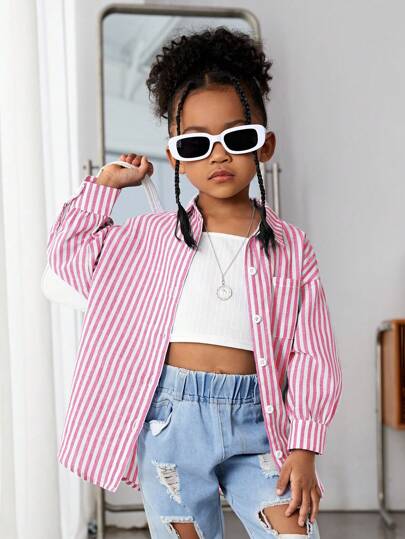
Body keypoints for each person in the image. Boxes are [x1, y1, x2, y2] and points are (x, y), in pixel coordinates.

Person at [47, 27, 342, 539]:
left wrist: (305, 444)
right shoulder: (149, 238)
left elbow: (312, 353)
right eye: (197, 143)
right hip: (171, 423)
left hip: (260, 422)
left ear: (265, 146)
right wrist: (104, 188)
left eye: (238, 138)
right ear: (176, 156)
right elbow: (68, 257)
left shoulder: (292, 248)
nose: (218, 155)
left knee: (294, 532)